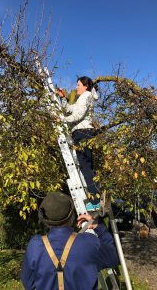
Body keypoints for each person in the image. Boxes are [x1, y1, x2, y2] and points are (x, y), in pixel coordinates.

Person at [21, 192, 119, 290]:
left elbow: (28, 283)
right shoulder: (89, 243)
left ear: (45, 221)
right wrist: (99, 227)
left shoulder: (35, 246)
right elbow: (113, 257)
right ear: (72, 217)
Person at [58, 77, 100, 211]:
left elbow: (78, 115)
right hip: (86, 132)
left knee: (85, 167)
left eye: (79, 85)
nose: (76, 87)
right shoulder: (86, 97)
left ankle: (95, 202)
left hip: (82, 133)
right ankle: (96, 198)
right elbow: (73, 108)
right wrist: (64, 98)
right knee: (88, 166)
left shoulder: (85, 96)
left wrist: (61, 119)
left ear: (86, 86)